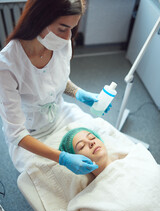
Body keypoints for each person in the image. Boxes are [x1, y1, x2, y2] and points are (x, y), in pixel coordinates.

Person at [0, 0, 111, 174]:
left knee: (105, 132)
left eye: (72, 29)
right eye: (62, 28)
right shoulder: (7, 65)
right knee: (50, 175)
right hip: (31, 133)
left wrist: (79, 93)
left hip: (62, 114)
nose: (68, 37)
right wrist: (62, 158)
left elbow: (56, 80)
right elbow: (15, 133)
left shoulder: (60, 44)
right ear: (39, 19)